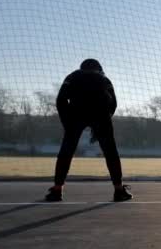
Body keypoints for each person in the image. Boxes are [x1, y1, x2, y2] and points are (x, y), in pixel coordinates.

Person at [45, 59, 133, 202]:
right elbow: (113, 103)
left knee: (66, 151)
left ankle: (57, 189)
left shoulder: (72, 77)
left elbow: (61, 100)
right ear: (98, 68)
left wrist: (66, 121)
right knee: (111, 152)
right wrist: (105, 120)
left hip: (76, 113)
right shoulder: (104, 79)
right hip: (100, 114)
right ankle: (118, 190)